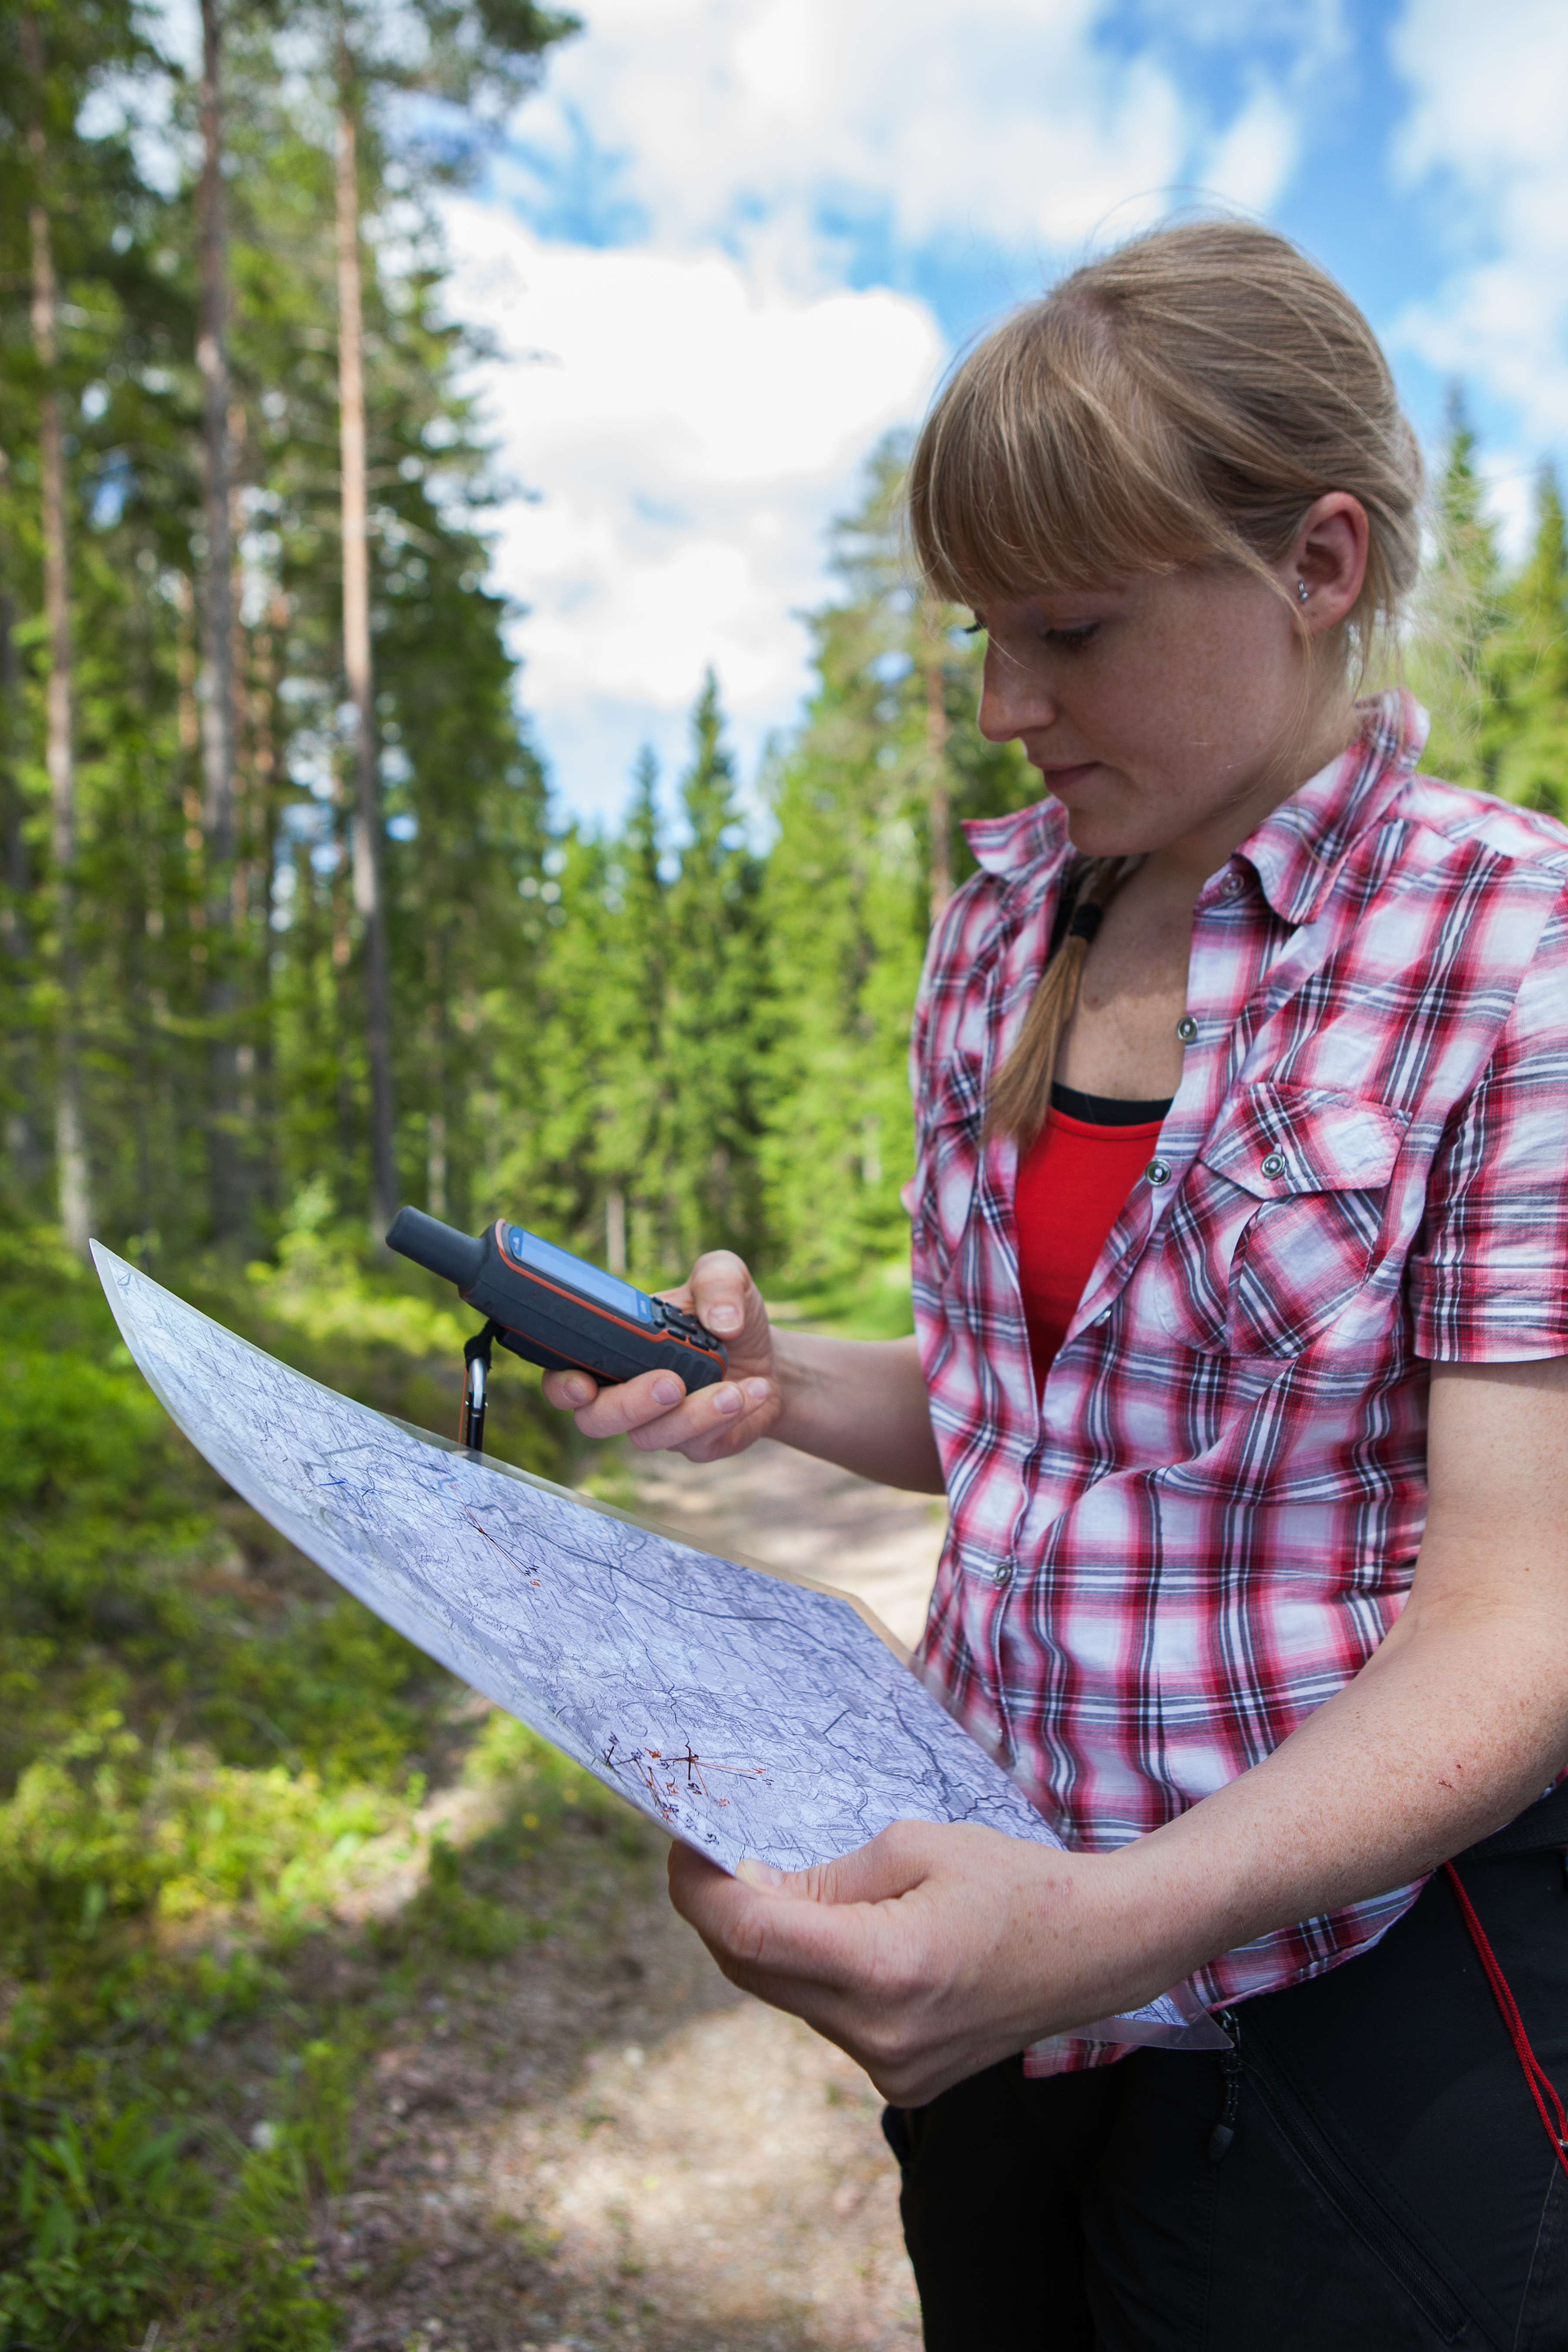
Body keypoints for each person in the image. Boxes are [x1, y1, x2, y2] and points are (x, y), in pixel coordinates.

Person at [545, 220, 1568, 2346]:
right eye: (981, 636)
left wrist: (1109, 1926)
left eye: (1068, 631)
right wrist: (774, 1377)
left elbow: (1518, 1621)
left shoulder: (1513, 949)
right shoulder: (997, 931)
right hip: (1002, 1945)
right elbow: (1046, 1419)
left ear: (1314, 564)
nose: (1006, 704)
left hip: (1351, 2009)